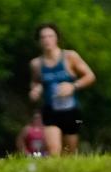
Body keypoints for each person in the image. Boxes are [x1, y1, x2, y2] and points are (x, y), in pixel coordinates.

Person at [29, 23, 96, 156]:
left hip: (71, 111)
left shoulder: (70, 57)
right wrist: (35, 90)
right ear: (39, 41)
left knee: (69, 152)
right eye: (43, 37)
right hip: (50, 111)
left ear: (57, 38)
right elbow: (36, 82)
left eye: (50, 36)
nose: (47, 39)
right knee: (54, 150)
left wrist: (73, 86)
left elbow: (90, 76)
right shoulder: (36, 64)